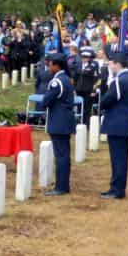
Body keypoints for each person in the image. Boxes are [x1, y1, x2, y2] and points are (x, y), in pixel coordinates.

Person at [98, 52, 128, 199]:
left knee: (118, 159)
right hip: (126, 122)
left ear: (117, 64)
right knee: (121, 158)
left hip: (118, 123)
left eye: (111, 63)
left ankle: (117, 189)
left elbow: (107, 100)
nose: (109, 65)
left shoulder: (119, 80)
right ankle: (117, 187)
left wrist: (101, 101)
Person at [40, 53, 76, 196]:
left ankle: (61, 187)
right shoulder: (66, 79)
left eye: (50, 64)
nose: (49, 67)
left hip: (59, 122)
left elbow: (46, 101)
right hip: (65, 121)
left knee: (61, 155)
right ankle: (63, 184)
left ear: (57, 66)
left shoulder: (57, 82)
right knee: (64, 154)